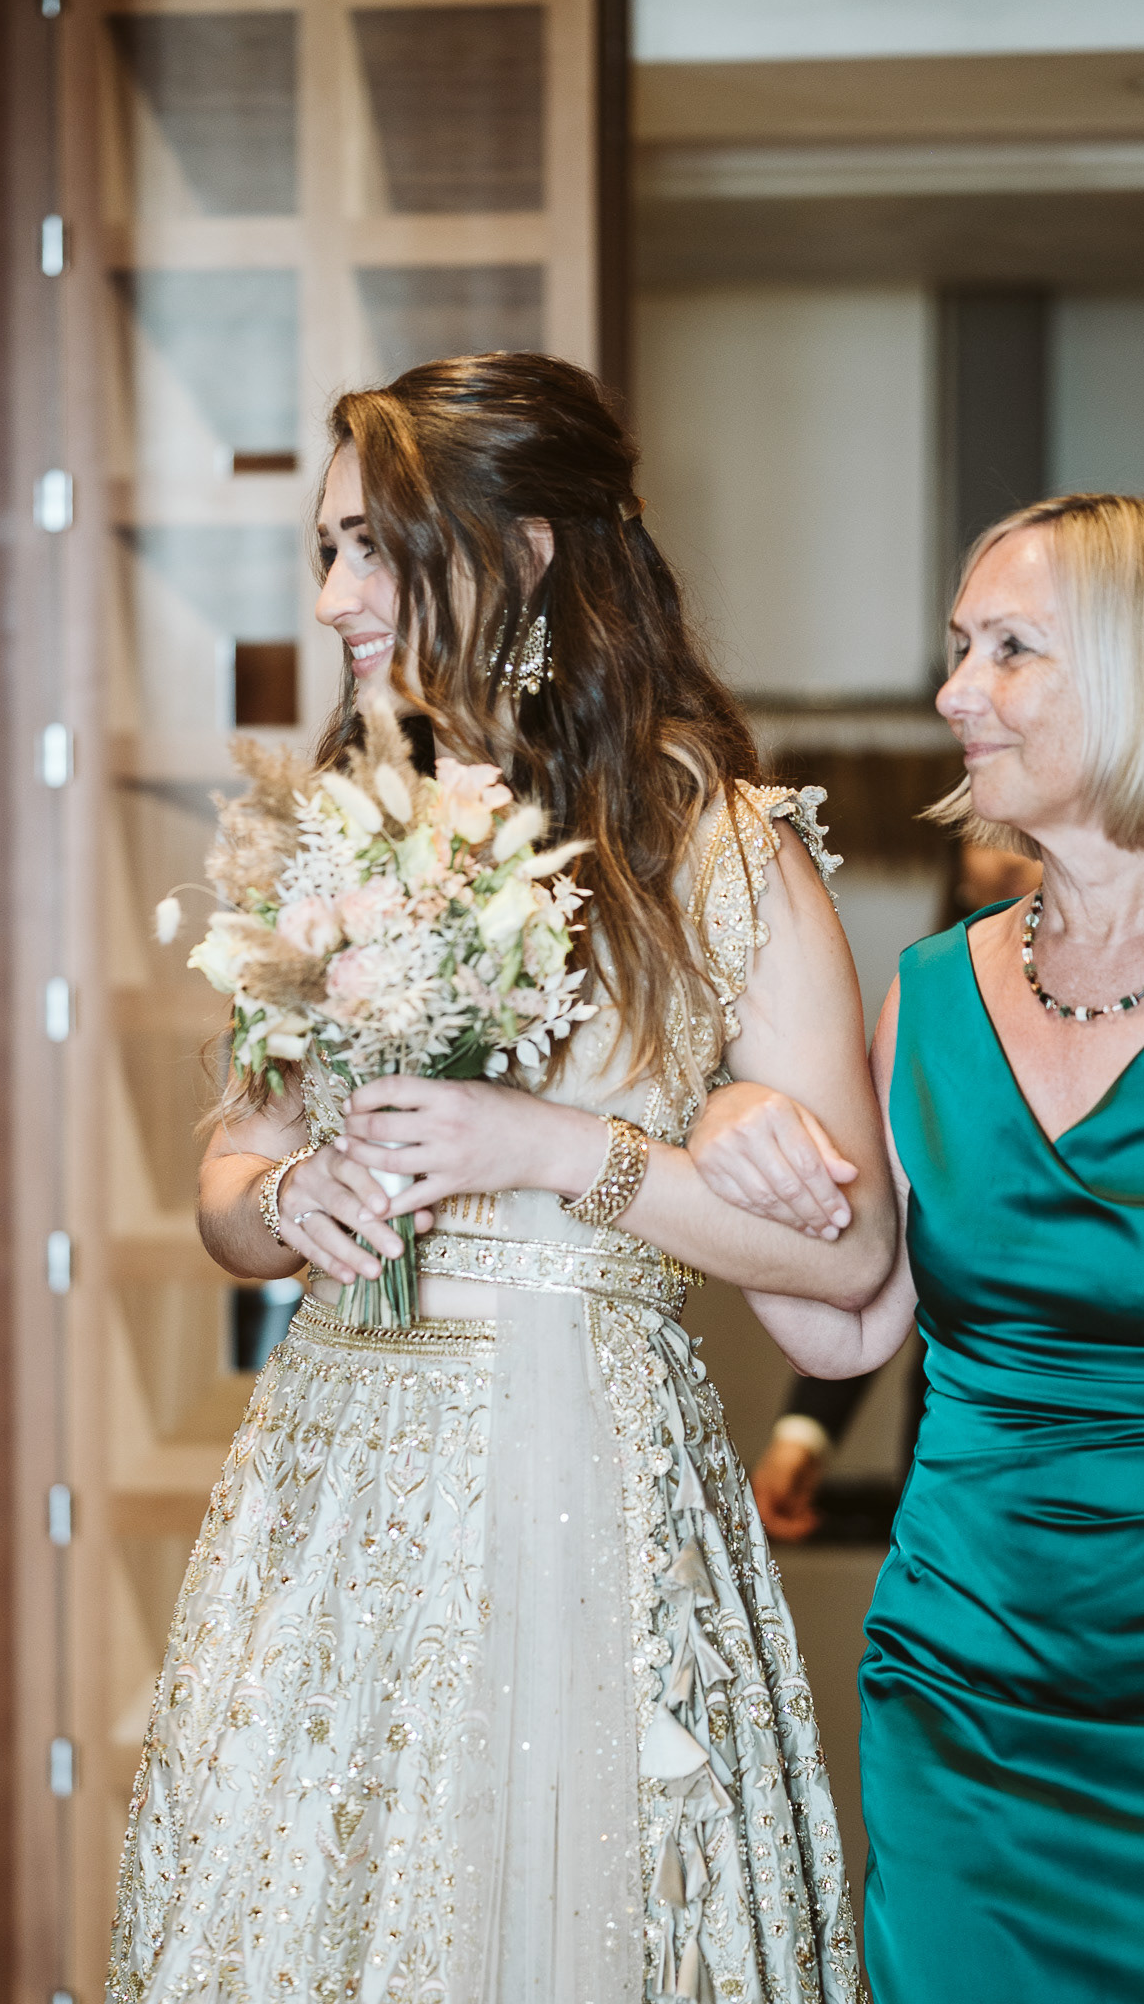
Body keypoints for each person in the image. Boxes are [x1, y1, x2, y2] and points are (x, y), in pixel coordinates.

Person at [105, 353, 895, 2003]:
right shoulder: (336, 832)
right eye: (326, 550)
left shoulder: (718, 855)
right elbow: (230, 1170)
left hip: (579, 1476)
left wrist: (567, 1153)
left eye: (373, 550)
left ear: (524, 553)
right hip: (337, 1487)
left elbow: (849, 1268)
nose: (333, 597)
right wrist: (284, 1201)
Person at [689, 491, 1144, 2002]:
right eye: (955, 646)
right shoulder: (928, 988)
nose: (950, 692)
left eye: (1008, 650)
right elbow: (853, 1324)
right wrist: (732, 1136)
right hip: (965, 1693)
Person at [752, 841, 1040, 1542]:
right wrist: (805, 1431)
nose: (1004, 850)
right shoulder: (937, 997)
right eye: (984, 835)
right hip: (965, 1445)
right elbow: (888, 1233)